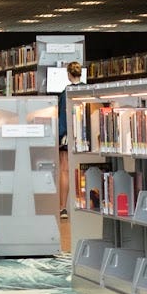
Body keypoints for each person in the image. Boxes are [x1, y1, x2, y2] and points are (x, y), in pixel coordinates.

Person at [57, 61, 84, 219]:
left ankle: (63, 208)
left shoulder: (64, 93)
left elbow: (61, 118)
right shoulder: (87, 90)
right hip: (84, 135)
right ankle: (82, 203)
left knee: (65, 170)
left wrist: (60, 137)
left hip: (68, 136)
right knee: (82, 170)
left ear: (68, 74)